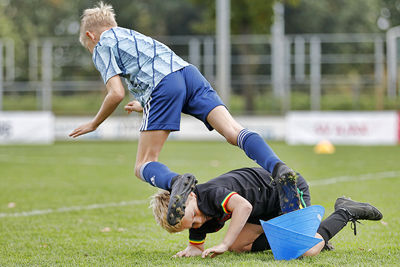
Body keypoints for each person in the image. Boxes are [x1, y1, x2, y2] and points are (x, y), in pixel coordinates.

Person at [70, 2, 300, 225]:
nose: (93, 52)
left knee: (143, 164)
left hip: (162, 86)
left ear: (91, 36)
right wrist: (143, 103)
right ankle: (279, 168)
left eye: (89, 48)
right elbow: (162, 74)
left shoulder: (101, 44)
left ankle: (177, 181)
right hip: (188, 74)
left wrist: (94, 123)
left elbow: (116, 93)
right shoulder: (131, 35)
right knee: (233, 131)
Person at [150, 167, 383, 258]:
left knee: (307, 250)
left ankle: (344, 211)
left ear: (190, 197)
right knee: (238, 246)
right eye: (191, 227)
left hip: (285, 191)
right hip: (264, 206)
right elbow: (198, 228)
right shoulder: (196, 212)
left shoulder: (209, 194)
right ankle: (300, 232)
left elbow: (244, 207)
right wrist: (195, 246)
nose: (198, 223)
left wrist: (222, 243)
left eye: (193, 218)